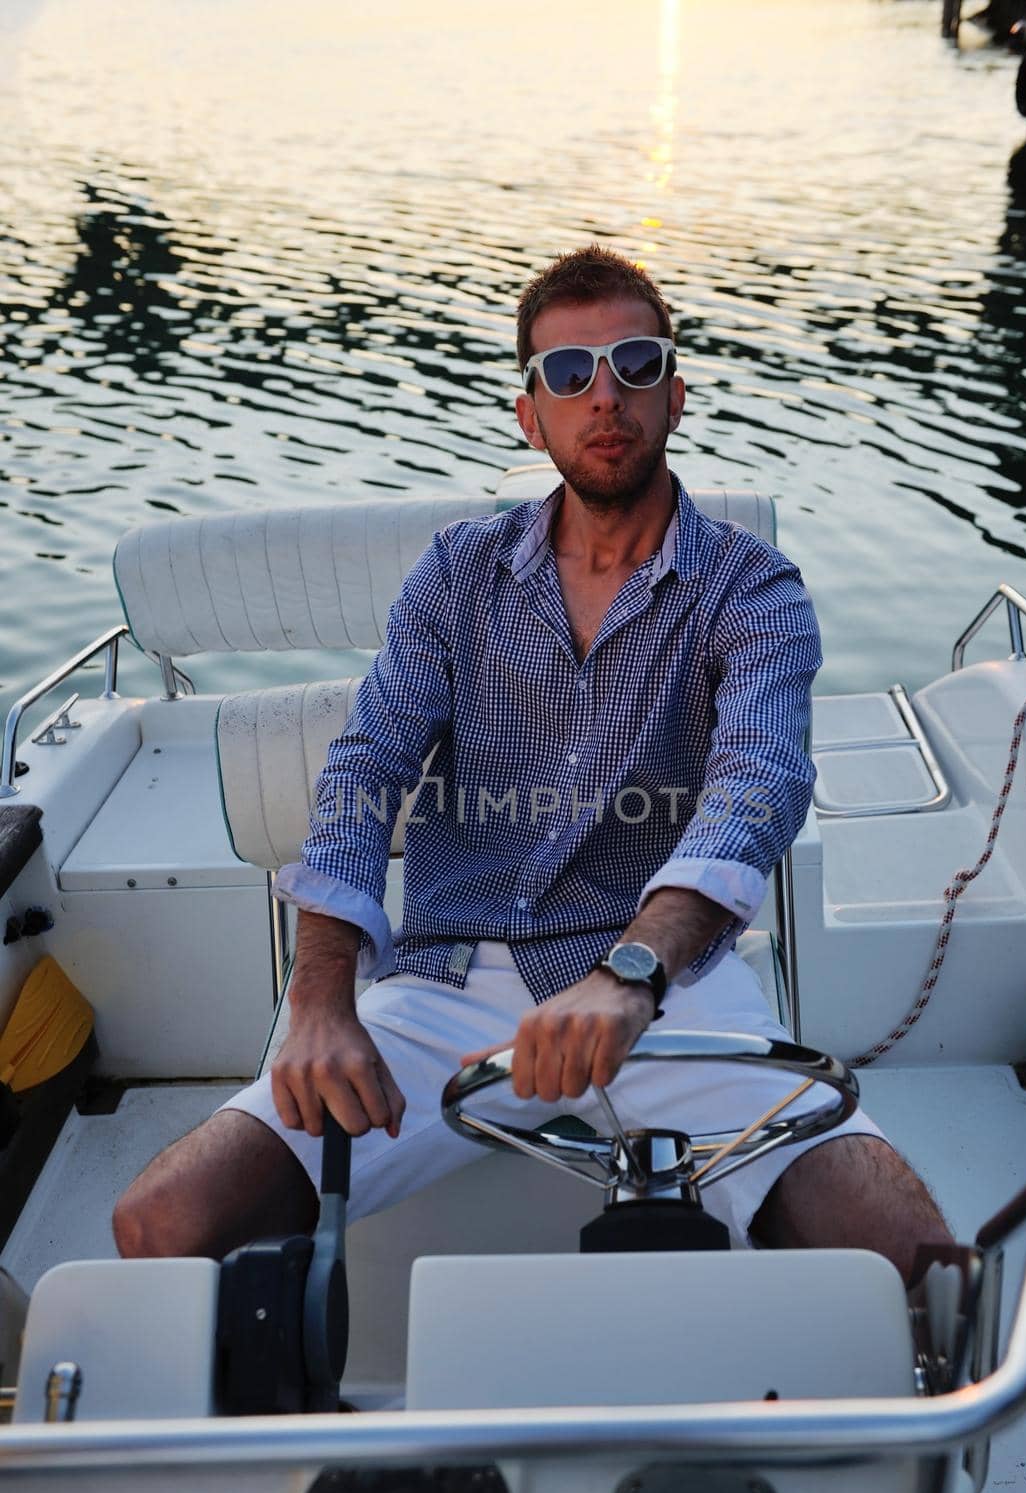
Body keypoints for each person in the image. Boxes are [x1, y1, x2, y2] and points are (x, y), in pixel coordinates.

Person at [114, 246, 952, 1280]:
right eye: (568, 374)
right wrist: (318, 998)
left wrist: (632, 971)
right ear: (530, 416)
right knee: (161, 1223)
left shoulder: (752, 588)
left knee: (916, 1258)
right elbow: (366, 765)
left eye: (634, 365)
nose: (605, 396)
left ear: (674, 395)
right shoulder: (455, 574)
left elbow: (757, 780)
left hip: (664, 982)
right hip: (445, 984)